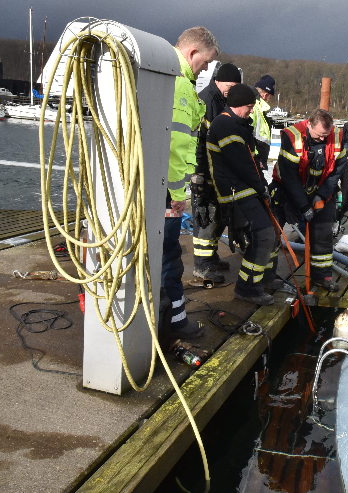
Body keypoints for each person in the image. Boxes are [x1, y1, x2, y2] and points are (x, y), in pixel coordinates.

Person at [163, 26, 218, 339]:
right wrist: (178, 195)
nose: (205, 69)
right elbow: (175, 149)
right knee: (170, 258)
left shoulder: (161, 74)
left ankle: (162, 317)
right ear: (193, 53)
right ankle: (175, 322)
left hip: (150, 191)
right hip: (166, 197)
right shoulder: (180, 86)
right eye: (205, 62)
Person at [207, 84, 278, 305]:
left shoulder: (235, 124)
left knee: (264, 235)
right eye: (249, 107)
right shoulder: (226, 126)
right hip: (236, 192)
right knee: (264, 234)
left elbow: (250, 159)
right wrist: (261, 187)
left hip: (243, 190)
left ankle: (258, 281)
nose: (250, 111)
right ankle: (247, 287)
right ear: (238, 105)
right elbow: (241, 164)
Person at [268, 108, 348, 292]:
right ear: (309, 125)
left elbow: (337, 172)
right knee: (272, 232)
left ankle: (322, 276)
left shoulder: (336, 137)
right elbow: (289, 176)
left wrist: (322, 195)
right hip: (287, 190)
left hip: (320, 189)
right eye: (319, 135)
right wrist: (304, 206)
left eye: (325, 136)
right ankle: (267, 277)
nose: (322, 139)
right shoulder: (292, 137)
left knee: (323, 234)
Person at [191, 63, 242, 284]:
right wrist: (199, 176)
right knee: (206, 218)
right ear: (218, 80)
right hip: (205, 170)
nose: (231, 90)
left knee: (218, 216)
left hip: (218, 170)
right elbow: (199, 143)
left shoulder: (222, 99)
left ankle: (210, 257)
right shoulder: (207, 101)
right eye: (229, 85)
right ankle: (201, 267)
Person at [251, 74, 276, 170]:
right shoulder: (255, 108)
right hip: (255, 160)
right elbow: (248, 133)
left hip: (258, 159)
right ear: (266, 94)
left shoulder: (260, 109)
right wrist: (257, 157)